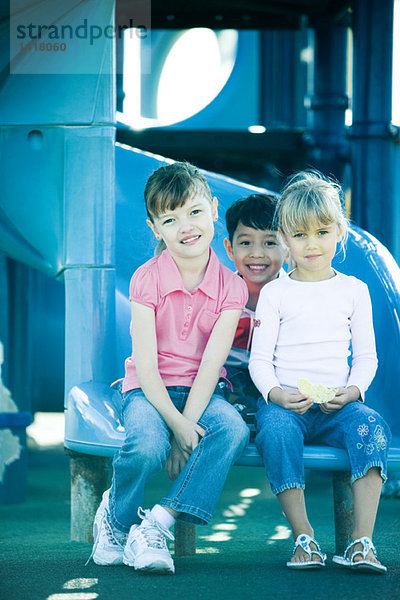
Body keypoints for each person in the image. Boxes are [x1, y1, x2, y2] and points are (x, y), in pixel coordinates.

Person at [89, 161, 249, 574]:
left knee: (232, 428)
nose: (186, 226)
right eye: (170, 219)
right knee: (147, 443)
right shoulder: (147, 279)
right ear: (155, 228)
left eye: (195, 212)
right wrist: (177, 429)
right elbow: (145, 366)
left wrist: (186, 427)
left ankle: (158, 523)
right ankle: (117, 518)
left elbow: (212, 364)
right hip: (146, 388)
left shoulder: (231, 286)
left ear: (214, 209)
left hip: (200, 391)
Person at [249, 171, 391, 573]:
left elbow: (366, 357)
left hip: (338, 406)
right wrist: (276, 395)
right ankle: (304, 537)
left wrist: (353, 391)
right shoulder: (276, 293)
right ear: (284, 239)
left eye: (322, 232)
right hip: (285, 405)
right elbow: (260, 360)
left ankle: (361, 543)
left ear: (339, 231)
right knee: (274, 432)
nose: (311, 244)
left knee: (372, 427)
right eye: (299, 235)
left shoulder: (353, 290)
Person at [222, 194, 288, 413]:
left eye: (270, 243)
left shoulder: (295, 297)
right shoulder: (219, 295)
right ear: (230, 249)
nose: (257, 253)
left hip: (278, 374)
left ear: (287, 249)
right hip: (229, 372)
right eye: (245, 243)